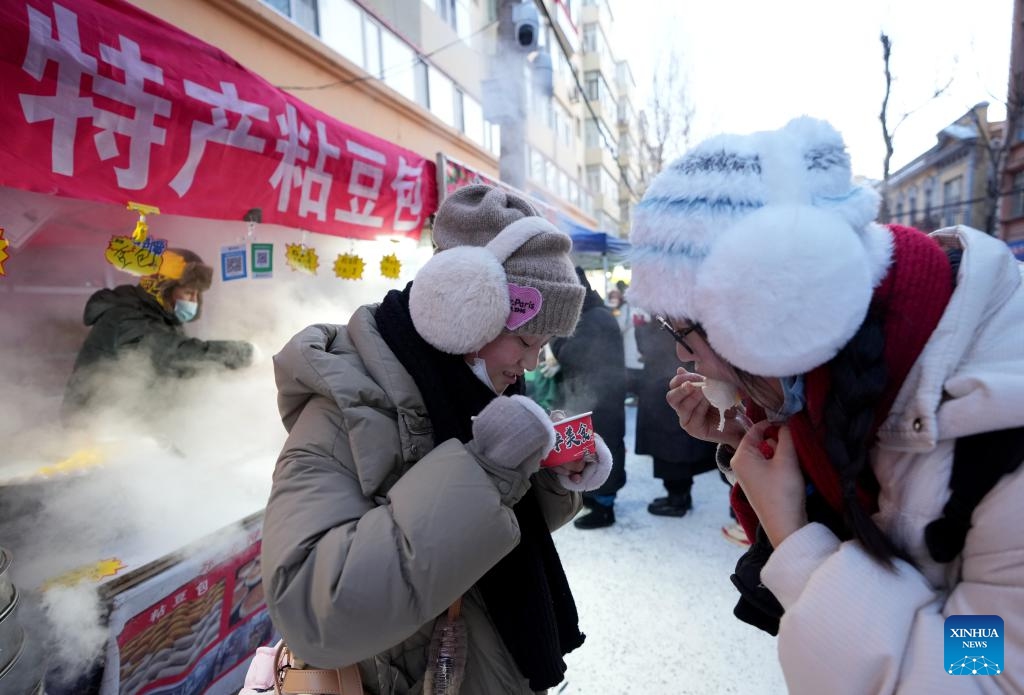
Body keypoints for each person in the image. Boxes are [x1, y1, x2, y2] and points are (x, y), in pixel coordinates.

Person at [628, 117, 1024, 693]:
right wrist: (750, 446)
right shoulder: (843, 390)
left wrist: (797, 542)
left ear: (768, 316)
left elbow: (985, 665)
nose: (690, 363)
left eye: (682, 331)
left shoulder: (1001, 434)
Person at [260, 185, 613, 694]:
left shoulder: (474, 388)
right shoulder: (341, 411)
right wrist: (485, 469)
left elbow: (493, 531)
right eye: (526, 340)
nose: (531, 364)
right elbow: (311, 612)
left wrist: (550, 476)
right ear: (464, 309)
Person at [61, 247, 253, 425]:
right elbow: (171, 356)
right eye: (188, 292)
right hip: (94, 425)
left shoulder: (160, 317)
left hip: (132, 417)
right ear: (163, 288)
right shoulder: (126, 316)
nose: (194, 300)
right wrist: (242, 354)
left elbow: (177, 372)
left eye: (197, 294)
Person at [550, 267, 627, 529]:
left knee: (603, 449)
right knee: (593, 449)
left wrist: (555, 341)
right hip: (596, 396)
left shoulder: (593, 319)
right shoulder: (594, 314)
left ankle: (605, 507)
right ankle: (596, 498)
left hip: (600, 399)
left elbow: (572, 354)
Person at [633, 315, 716, 517]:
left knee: (671, 448)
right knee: (677, 445)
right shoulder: (678, 313)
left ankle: (677, 499)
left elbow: (649, 348)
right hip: (671, 383)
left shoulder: (665, 318)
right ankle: (679, 496)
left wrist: (640, 328)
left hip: (665, 386)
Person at [607, 286, 643, 403]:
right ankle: (634, 396)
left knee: (635, 373)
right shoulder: (624, 309)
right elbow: (621, 326)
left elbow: (620, 326)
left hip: (635, 347)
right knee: (632, 372)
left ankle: (636, 396)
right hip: (631, 346)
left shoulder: (630, 308)